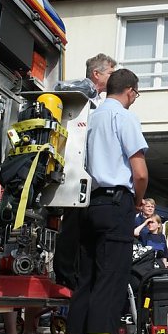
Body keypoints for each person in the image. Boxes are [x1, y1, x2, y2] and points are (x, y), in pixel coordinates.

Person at [60, 69, 148, 334]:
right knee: (109, 289)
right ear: (129, 90)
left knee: (86, 286)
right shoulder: (123, 117)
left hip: (86, 205)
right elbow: (139, 172)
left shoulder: (91, 117)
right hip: (116, 205)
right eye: (136, 94)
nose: (135, 99)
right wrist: (138, 201)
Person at [53, 53, 117, 290]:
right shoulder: (83, 89)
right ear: (96, 74)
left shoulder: (102, 100)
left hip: (89, 173)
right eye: (110, 72)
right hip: (74, 171)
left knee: (83, 227)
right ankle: (66, 275)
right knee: (73, 224)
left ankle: (77, 275)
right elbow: (60, 88)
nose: (114, 77)